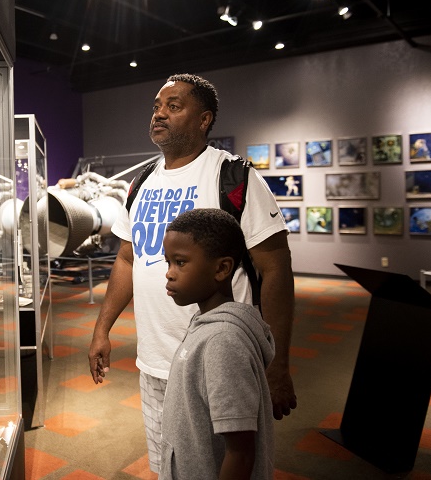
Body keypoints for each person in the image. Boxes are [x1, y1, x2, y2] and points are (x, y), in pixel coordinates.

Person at [89, 73, 296, 472]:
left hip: (219, 359)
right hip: (154, 360)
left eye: (173, 106)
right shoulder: (141, 182)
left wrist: (279, 364)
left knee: (227, 464)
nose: (159, 114)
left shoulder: (234, 178)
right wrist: (103, 329)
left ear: (204, 119)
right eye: (156, 106)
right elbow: (127, 261)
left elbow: (276, 269)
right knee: (168, 465)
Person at [160, 208, 274, 479]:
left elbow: (241, 452)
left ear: (222, 268)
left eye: (181, 262)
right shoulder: (205, 322)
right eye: (168, 263)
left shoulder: (223, 342)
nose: (169, 274)